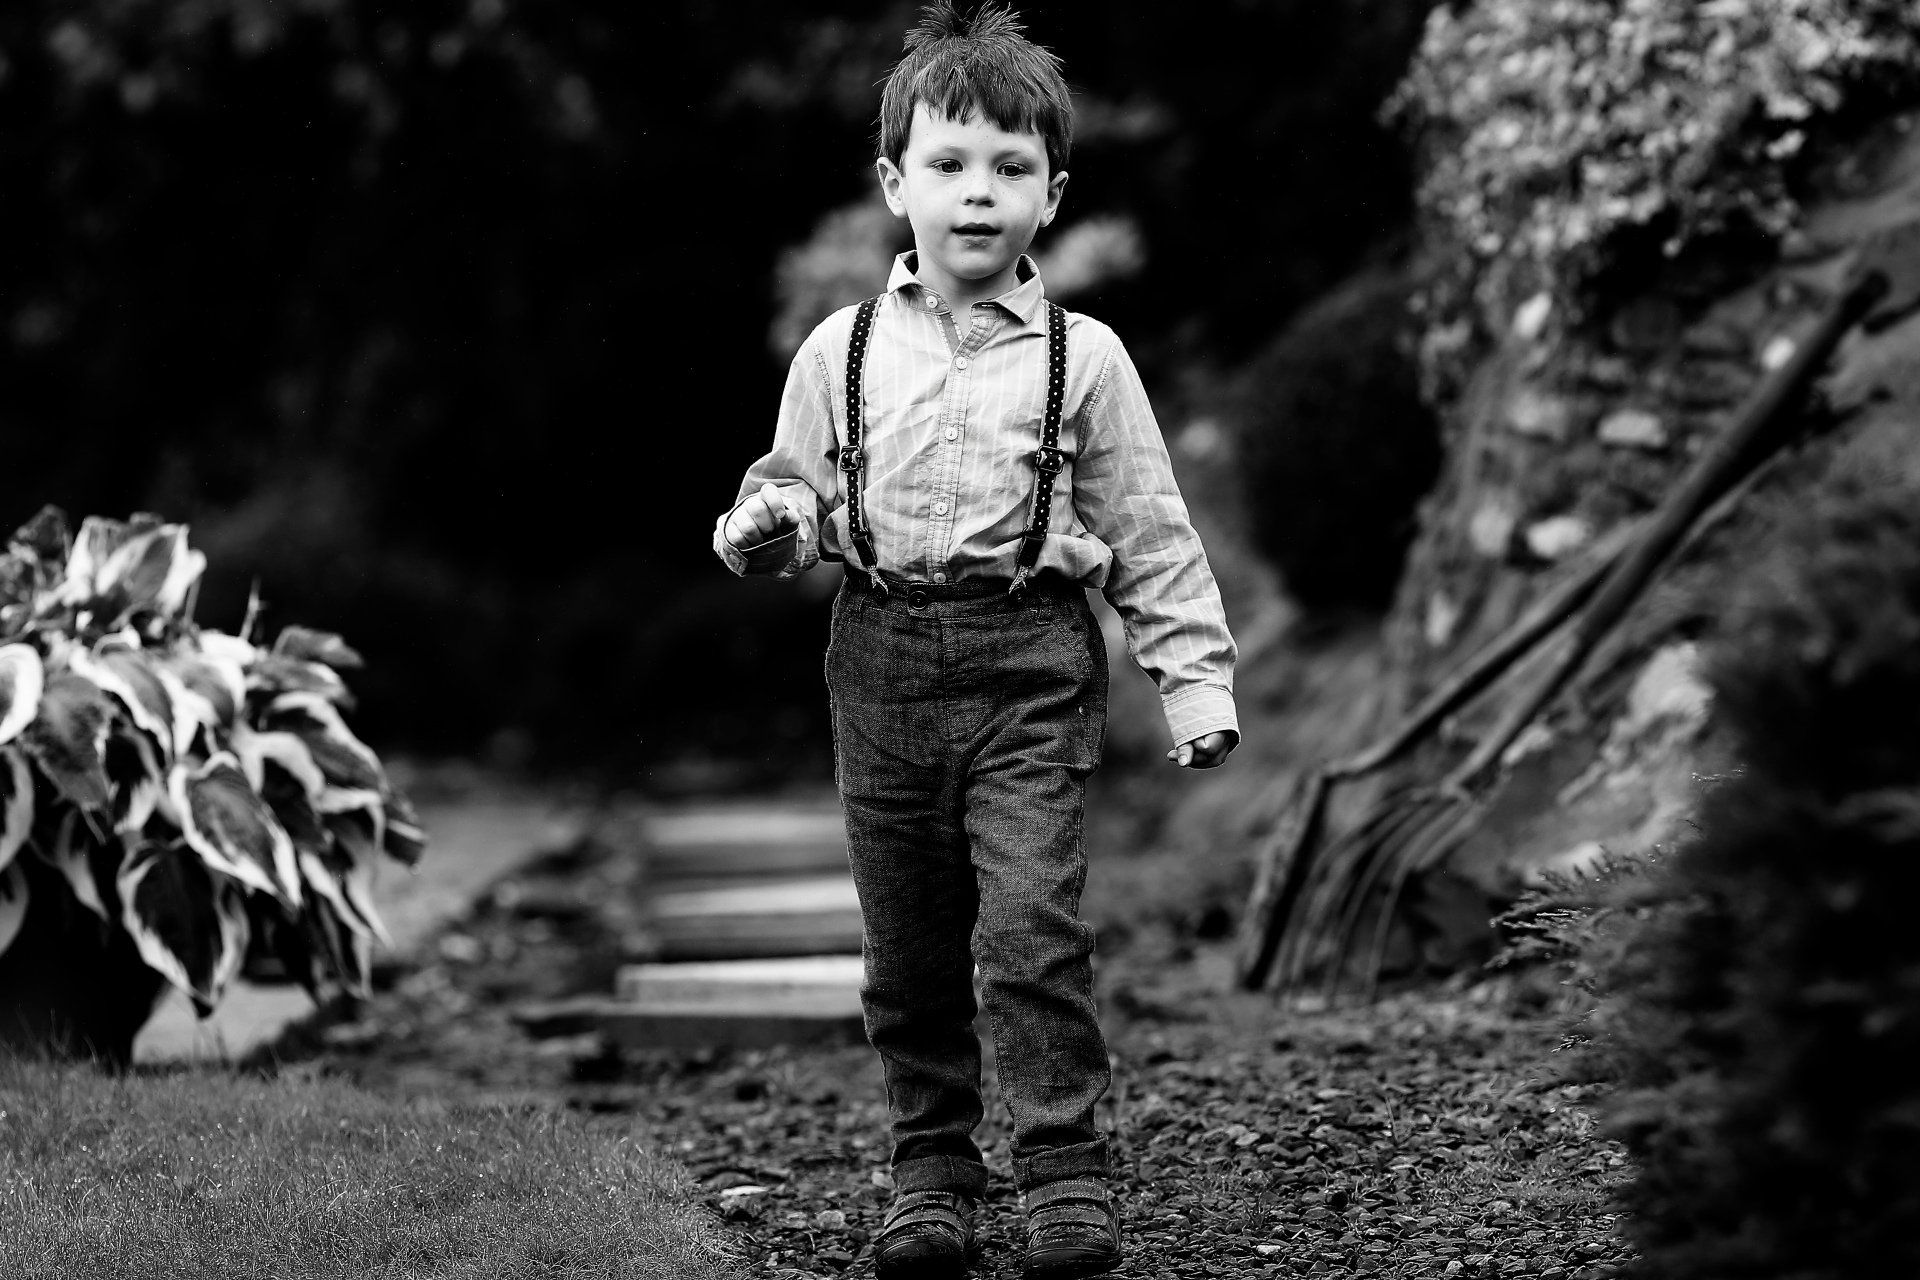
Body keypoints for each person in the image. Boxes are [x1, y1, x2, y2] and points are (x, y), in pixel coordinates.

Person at [713, 3, 1238, 1275]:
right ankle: (933, 1167)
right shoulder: (839, 350)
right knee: (906, 946)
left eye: (1011, 167)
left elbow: (1151, 530)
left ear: (1052, 196)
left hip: (1031, 663)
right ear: (897, 184)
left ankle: (1065, 1169)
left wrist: (1195, 685)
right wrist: (764, 527)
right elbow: (787, 499)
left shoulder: (1085, 358)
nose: (978, 191)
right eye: (948, 163)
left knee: (1031, 928)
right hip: (882, 659)